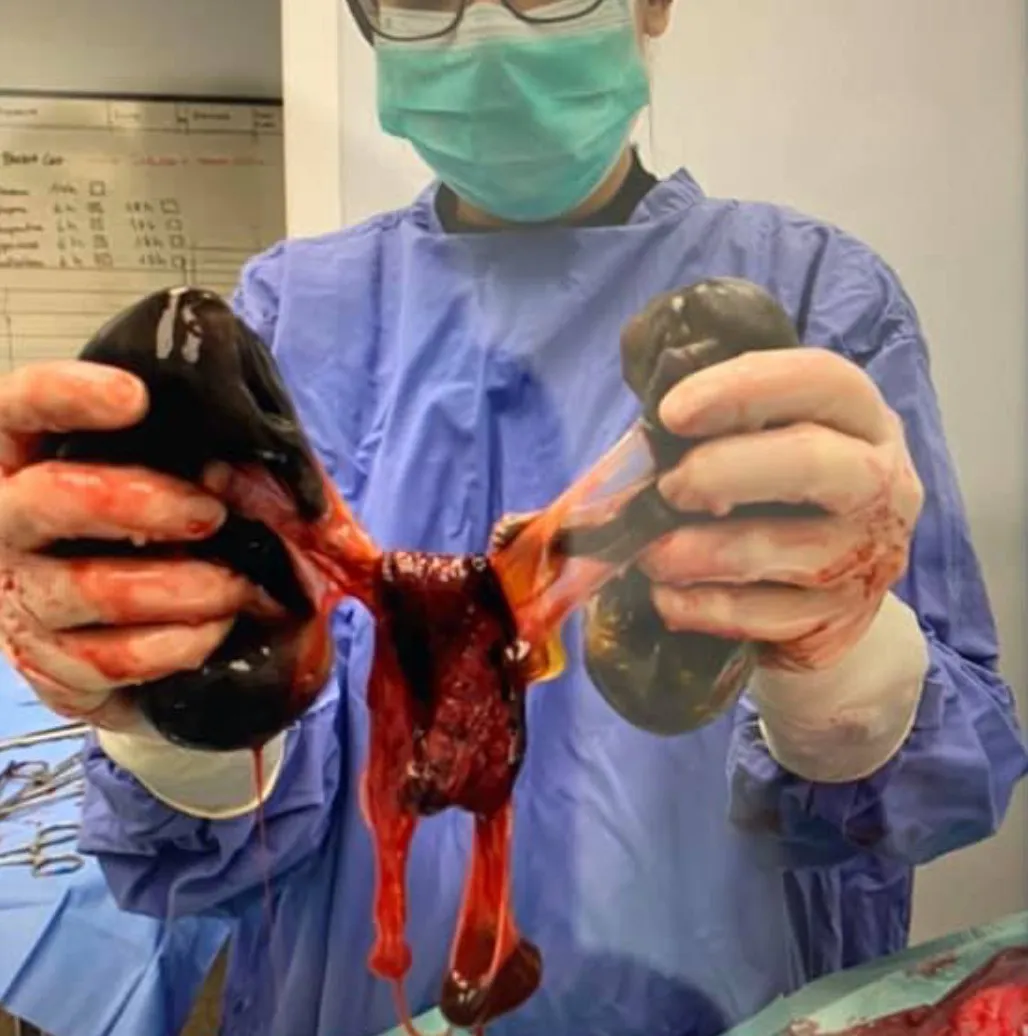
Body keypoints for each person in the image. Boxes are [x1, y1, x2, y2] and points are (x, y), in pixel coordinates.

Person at [0, 0, 1025, 1032]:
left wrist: (841, 667)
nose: (483, 36)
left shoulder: (812, 293)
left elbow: (929, 783)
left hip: (725, 993)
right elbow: (233, 809)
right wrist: (169, 703)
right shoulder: (293, 310)